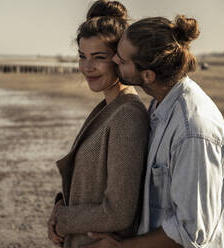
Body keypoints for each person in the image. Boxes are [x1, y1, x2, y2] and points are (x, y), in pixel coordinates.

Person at [84, 15, 224, 248]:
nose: (114, 59)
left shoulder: (193, 131)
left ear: (147, 75)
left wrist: (124, 247)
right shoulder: (160, 104)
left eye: (122, 60)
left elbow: (191, 232)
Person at [47, 1, 150, 248]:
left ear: (118, 58)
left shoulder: (128, 115)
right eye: (82, 57)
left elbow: (118, 212)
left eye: (98, 57)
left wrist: (63, 219)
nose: (87, 67)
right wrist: (59, 206)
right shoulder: (108, 108)